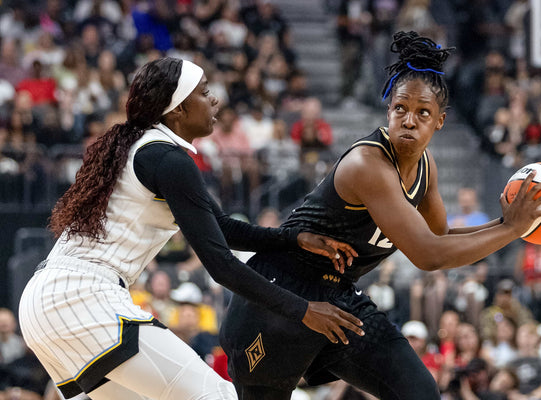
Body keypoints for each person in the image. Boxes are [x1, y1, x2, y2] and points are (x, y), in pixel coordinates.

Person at [219, 31, 541, 400]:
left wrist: (506, 223)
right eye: (401, 108)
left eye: (422, 112)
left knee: (420, 391)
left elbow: (440, 236)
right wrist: (511, 229)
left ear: (440, 122)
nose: (409, 120)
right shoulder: (368, 164)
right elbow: (428, 256)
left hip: (337, 294)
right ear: (389, 111)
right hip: (278, 294)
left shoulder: (425, 166)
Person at [18, 57, 364, 400]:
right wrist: (304, 311)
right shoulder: (168, 159)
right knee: (217, 396)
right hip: (84, 296)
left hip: (45, 302)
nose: (215, 100)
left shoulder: (146, 150)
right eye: (204, 92)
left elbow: (224, 227)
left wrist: (292, 239)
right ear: (177, 109)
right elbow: (221, 265)